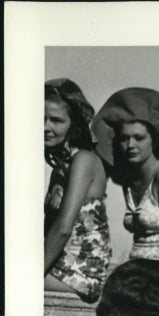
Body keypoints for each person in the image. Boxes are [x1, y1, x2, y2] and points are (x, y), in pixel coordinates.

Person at [93, 88, 159, 271]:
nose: (130, 145)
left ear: (154, 140)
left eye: (139, 138)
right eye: (124, 139)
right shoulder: (129, 180)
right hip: (136, 269)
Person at [44, 79, 113, 303]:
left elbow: (63, 229)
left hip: (80, 274)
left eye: (56, 120)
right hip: (61, 267)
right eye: (40, 119)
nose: (46, 127)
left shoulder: (83, 160)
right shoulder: (61, 167)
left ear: (74, 124)